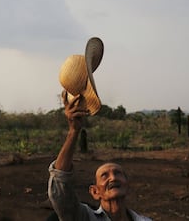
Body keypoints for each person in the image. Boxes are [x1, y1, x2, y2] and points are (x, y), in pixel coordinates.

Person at [48, 91, 151, 221]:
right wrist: (74, 131)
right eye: (104, 175)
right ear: (95, 192)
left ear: (127, 186)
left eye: (118, 173)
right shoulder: (84, 217)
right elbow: (60, 186)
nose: (113, 178)